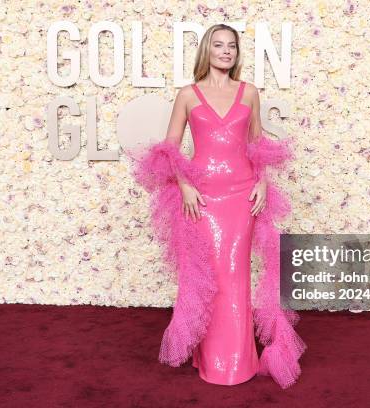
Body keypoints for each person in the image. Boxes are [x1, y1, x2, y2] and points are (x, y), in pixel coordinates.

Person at [128, 24, 306, 389]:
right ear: (207, 51)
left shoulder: (250, 93)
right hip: (203, 198)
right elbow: (171, 147)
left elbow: (257, 144)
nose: (226, 52)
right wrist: (185, 186)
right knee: (209, 276)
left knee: (235, 273)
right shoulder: (188, 95)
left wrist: (261, 182)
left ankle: (238, 363)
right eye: (219, 45)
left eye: (232, 47)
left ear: (237, 54)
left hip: (242, 197)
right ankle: (208, 357)